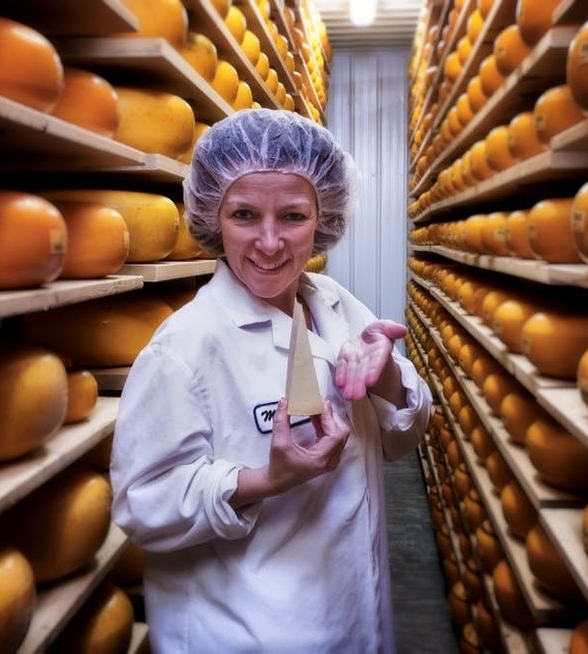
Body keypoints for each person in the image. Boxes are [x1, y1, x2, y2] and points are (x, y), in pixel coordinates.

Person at [111, 109, 433, 653]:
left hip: (353, 610)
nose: (269, 242)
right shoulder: (184, 348)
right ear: (214, 218)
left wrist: (389, 384)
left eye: (292, 216)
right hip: (247, 630)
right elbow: (143, 507)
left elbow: (403, 437)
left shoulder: (334, 304)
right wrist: (264, 479)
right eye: (243, 215)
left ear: (323, 218)